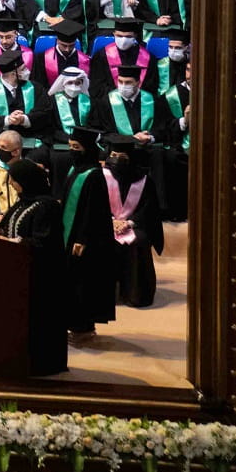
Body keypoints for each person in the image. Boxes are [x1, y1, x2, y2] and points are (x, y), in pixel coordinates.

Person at [0, 156, 68, 375]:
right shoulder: (23, 201)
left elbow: (42, 242)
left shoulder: (47, 206)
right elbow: (14, 228)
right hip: (21, 274)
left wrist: (12, 241)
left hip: (43, 276)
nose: (13, 186)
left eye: (14, 181)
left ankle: (43, 366)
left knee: (41, 324)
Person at [61, 126, 120, 336]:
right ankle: (71, 323)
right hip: (69, 234)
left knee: (83, 283)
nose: (72, 151)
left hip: (85, 240)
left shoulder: (94, 175)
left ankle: (83, 327)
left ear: (87, 148)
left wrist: (82, 239)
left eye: (76, 147)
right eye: (70, 147)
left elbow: (93, 212)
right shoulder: (74, 169)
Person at [103, 132, 165, 308]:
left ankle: (136, 295)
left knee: (139, 240)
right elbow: (95, 204)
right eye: (112, 156)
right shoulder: (101, 177)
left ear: (130, 158)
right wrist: (111, 221)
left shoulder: (144, 181)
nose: (115, 160)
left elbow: (149, 210)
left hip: (133, 225)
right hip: (106, 224)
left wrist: (129, 223)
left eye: (121, 157)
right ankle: (104, 295)